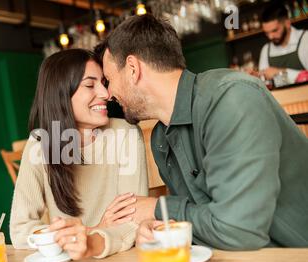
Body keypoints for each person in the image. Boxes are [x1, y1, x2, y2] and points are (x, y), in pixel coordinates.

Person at [95, 14, 308, 249]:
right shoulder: (160, 139)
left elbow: (238, 231)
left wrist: (159, 208)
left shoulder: (231, 99)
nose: (108, 94)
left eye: (108, 79)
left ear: (133, 69)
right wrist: (162, 224)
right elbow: (200, 217)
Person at [9, 49, 149, 260]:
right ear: (61, 95)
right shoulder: (40, 144)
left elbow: (133, 223)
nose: (106, 93)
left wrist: (88, 240)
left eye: (103, 82)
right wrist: (94, 230)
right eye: (90, 85)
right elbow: (21, 231)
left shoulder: (125, 134)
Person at [258, 2, 307, 85]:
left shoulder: (305, 39)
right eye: (266, 33)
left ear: (287, 23)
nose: (270, 37)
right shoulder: (266, 49)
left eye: (274, 30)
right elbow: (264, 84)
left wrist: (280, 72)